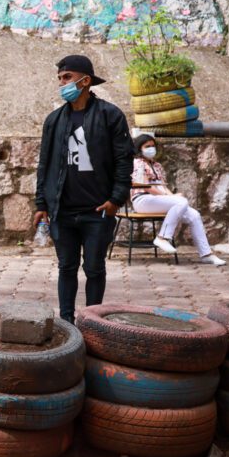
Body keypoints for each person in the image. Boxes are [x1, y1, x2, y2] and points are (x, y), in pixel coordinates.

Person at [33, 56, 134, 324]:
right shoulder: (53, 120)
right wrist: (41, 203)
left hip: (97, 212)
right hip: (62, 212)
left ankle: (92, 322)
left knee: (94, 268)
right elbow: (45, 164)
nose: (61, 83)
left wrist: (116, 199)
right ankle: (66, 322)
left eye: (67, 77)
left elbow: (124, 160)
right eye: (59, 79)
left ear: (85, 81)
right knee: (66, 267)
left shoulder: (110, 115)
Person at [131, 134, 226, 266]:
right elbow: (147, 187)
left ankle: (206, 254)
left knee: (194, 215)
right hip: (143, 200)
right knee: (181, 202)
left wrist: (172, 196)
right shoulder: (137, 163)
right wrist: (171, 198)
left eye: (153, 146)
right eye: (147, 146)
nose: (151, 149)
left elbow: (163, 187)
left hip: (158, 200)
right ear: (139, 148)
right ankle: (162, 237)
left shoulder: (157, 165)